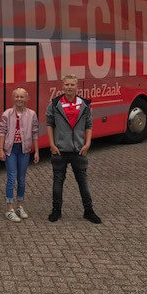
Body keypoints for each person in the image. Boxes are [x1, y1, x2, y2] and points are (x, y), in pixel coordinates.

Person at [45, 74, 102, 224]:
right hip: (59, 150)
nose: (69, 87)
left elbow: (89, 125)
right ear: (62, 86)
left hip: (79, 150)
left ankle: (88, 211)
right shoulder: (54, 104)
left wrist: (88, 143)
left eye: (72, 85)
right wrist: (52, 144)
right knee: (58, 182)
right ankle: (56, 210)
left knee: (83, 182)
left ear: (76, 87)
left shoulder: (84, 104)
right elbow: (49, 124)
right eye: (67, 85)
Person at [0, 87, 40, 222]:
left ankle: (19, 206)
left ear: (27, 98)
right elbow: (2, 131)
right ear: (13, 98)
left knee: (21, 179)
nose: (19, 99)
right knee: (11, 178)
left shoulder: (32, 114)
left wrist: (37, 151)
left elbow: (35, 132)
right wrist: (0, 149)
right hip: (11, 149)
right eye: (17, 96)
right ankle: (9, 208)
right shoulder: (7, 114)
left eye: (22, 97)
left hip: (24, 150)